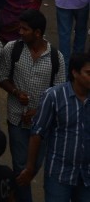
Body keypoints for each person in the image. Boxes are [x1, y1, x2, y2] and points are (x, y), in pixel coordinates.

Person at [0, 9, 66, 202]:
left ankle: (12, 192)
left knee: (33, 167)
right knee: (21, 166)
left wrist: (38, 112)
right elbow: (1, 76)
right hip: (17, 118)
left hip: (42, 124)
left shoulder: (55, 57)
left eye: (24, 29)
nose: (20, 32)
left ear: (37, 33)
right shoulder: (13, 49)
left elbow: (59, 92)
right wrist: (16, 92)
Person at [20, 51, 90, 202]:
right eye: (88, 73)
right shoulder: (54, 96)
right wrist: (30, 167)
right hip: (59, 174)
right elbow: (37, 133)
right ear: (75, 73)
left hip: (86, 176)